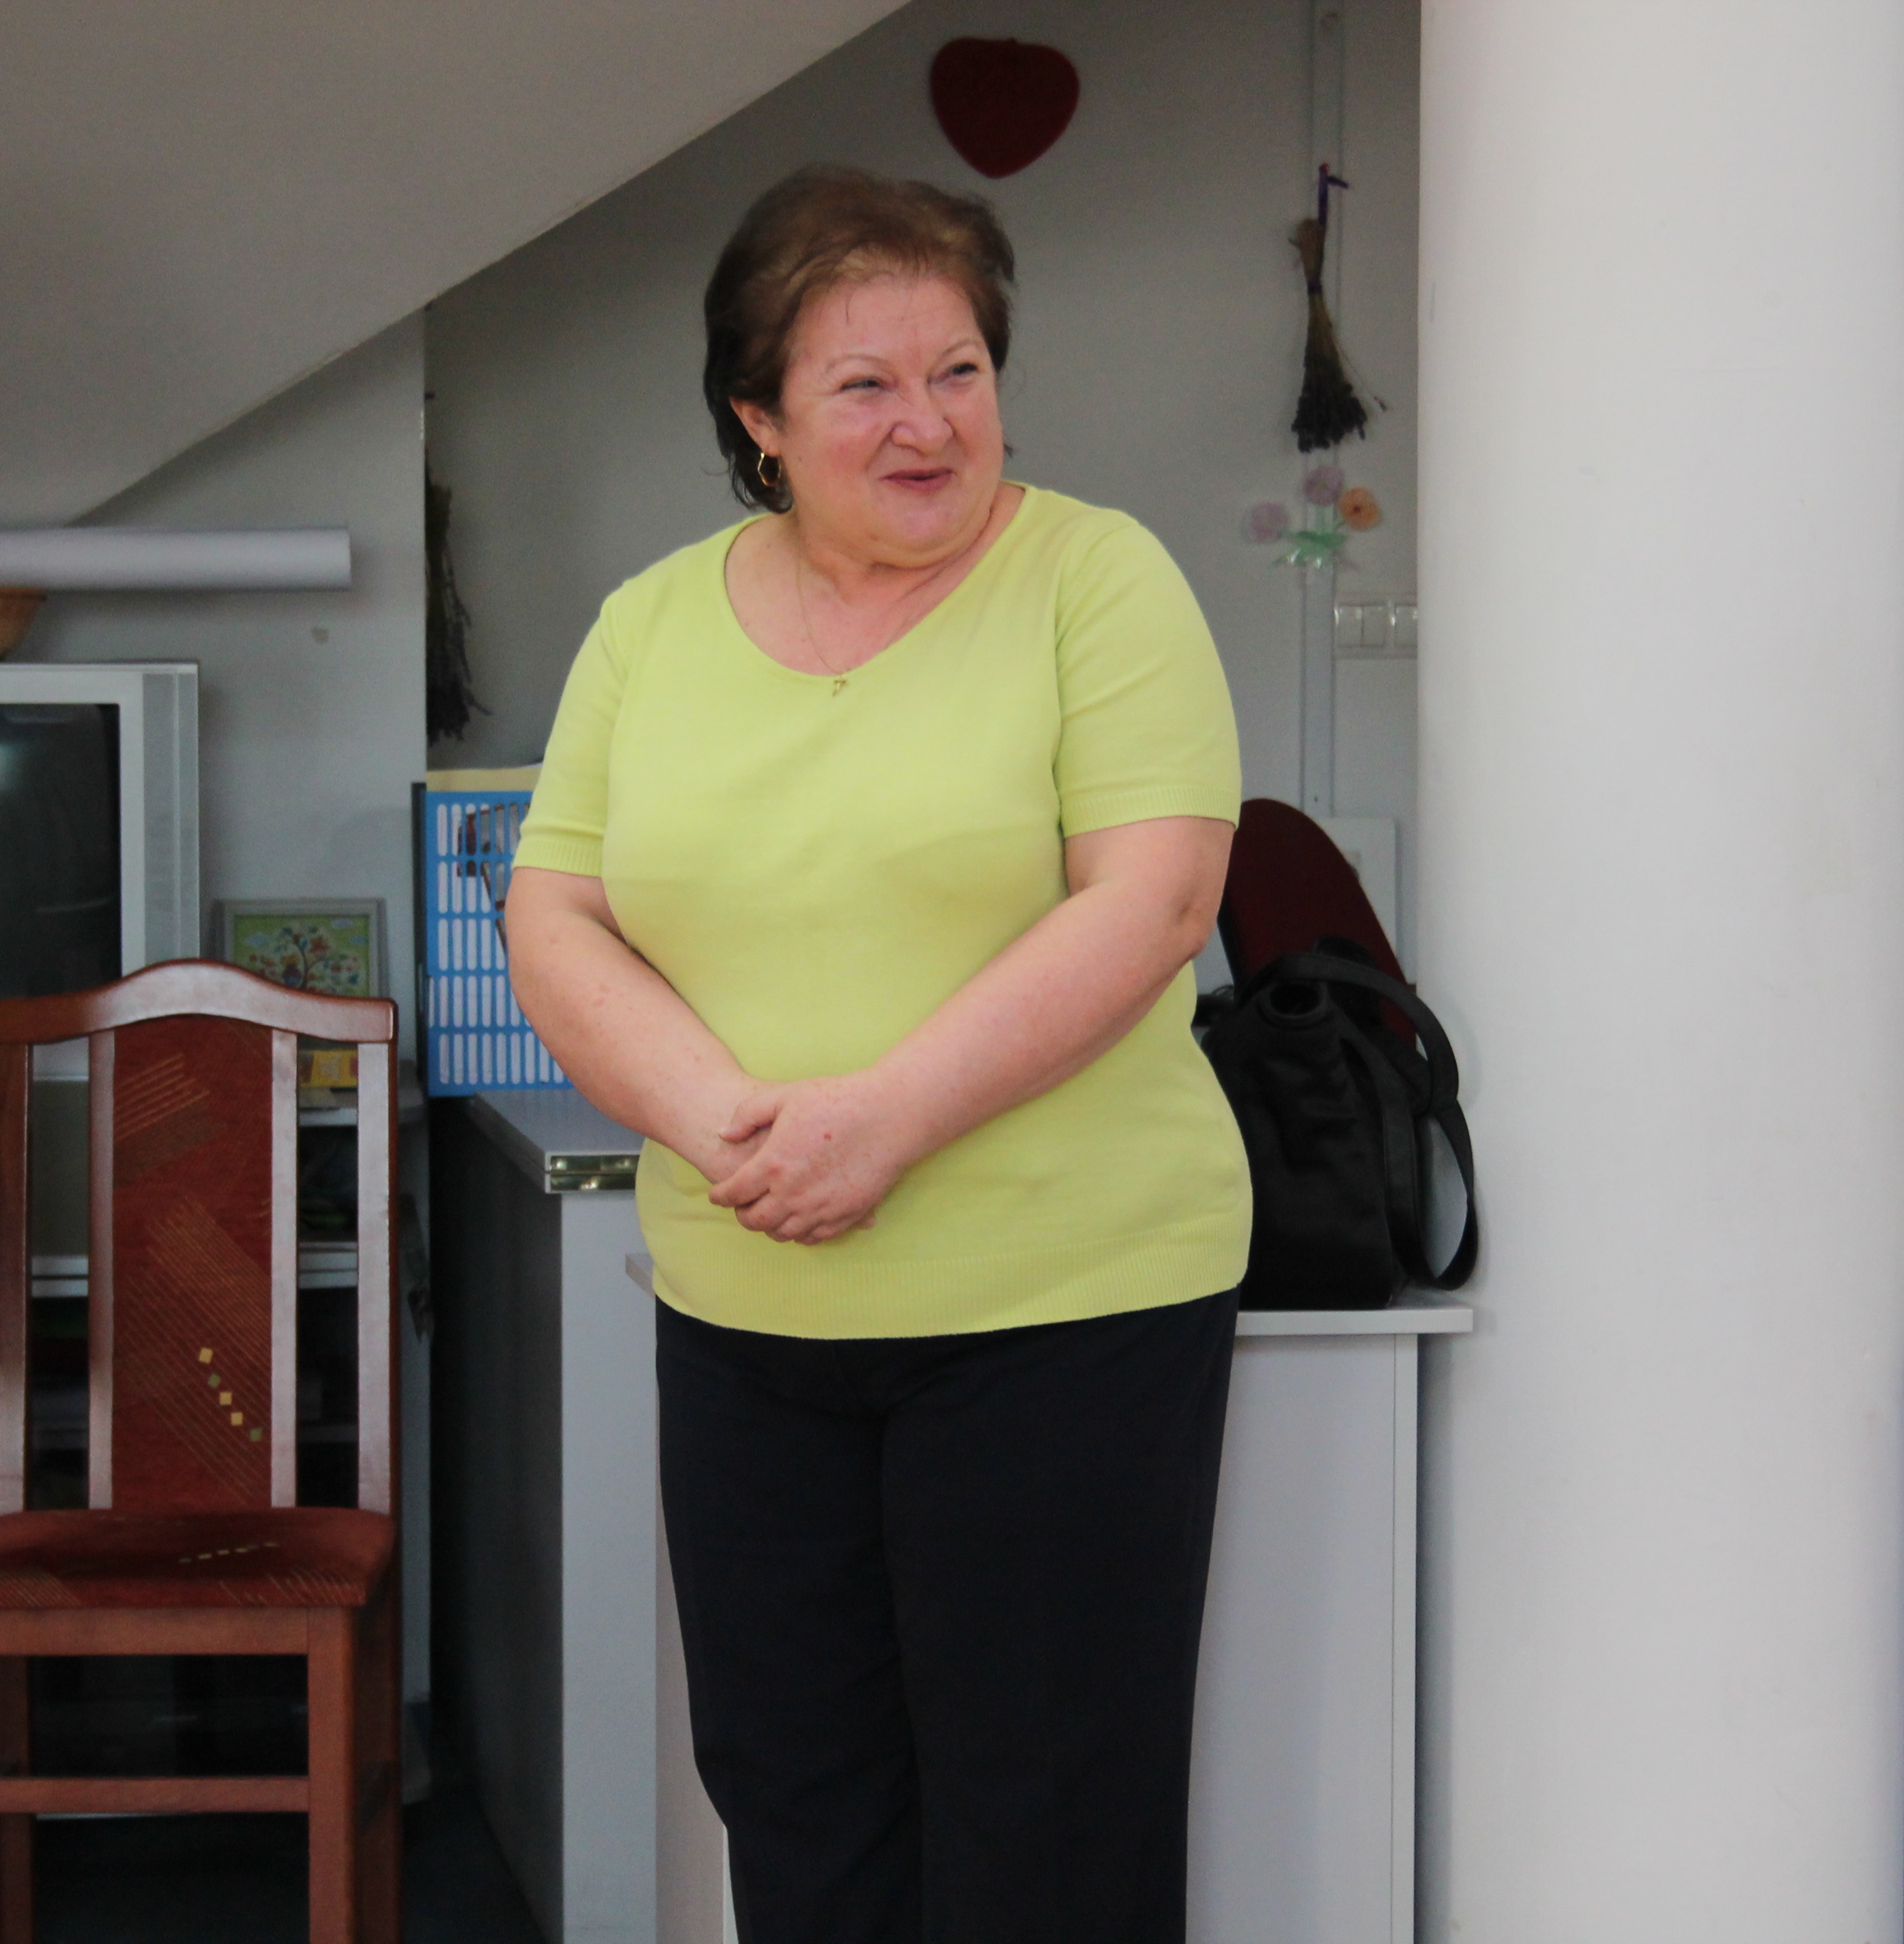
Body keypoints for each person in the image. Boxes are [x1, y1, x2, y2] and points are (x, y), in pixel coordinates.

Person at [505, 163, 1251, 1944]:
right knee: (796, 1805)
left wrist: (885, 1121)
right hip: (748, 1311)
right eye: (864, 385)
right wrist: (726, 1124)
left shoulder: (1095, 579)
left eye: (960, 371)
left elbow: (1153, 900)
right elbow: (555, 915)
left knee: (1047, 1831)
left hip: (1064, 1312)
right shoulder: (650, 623)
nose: (929, 423)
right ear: (756, 418)